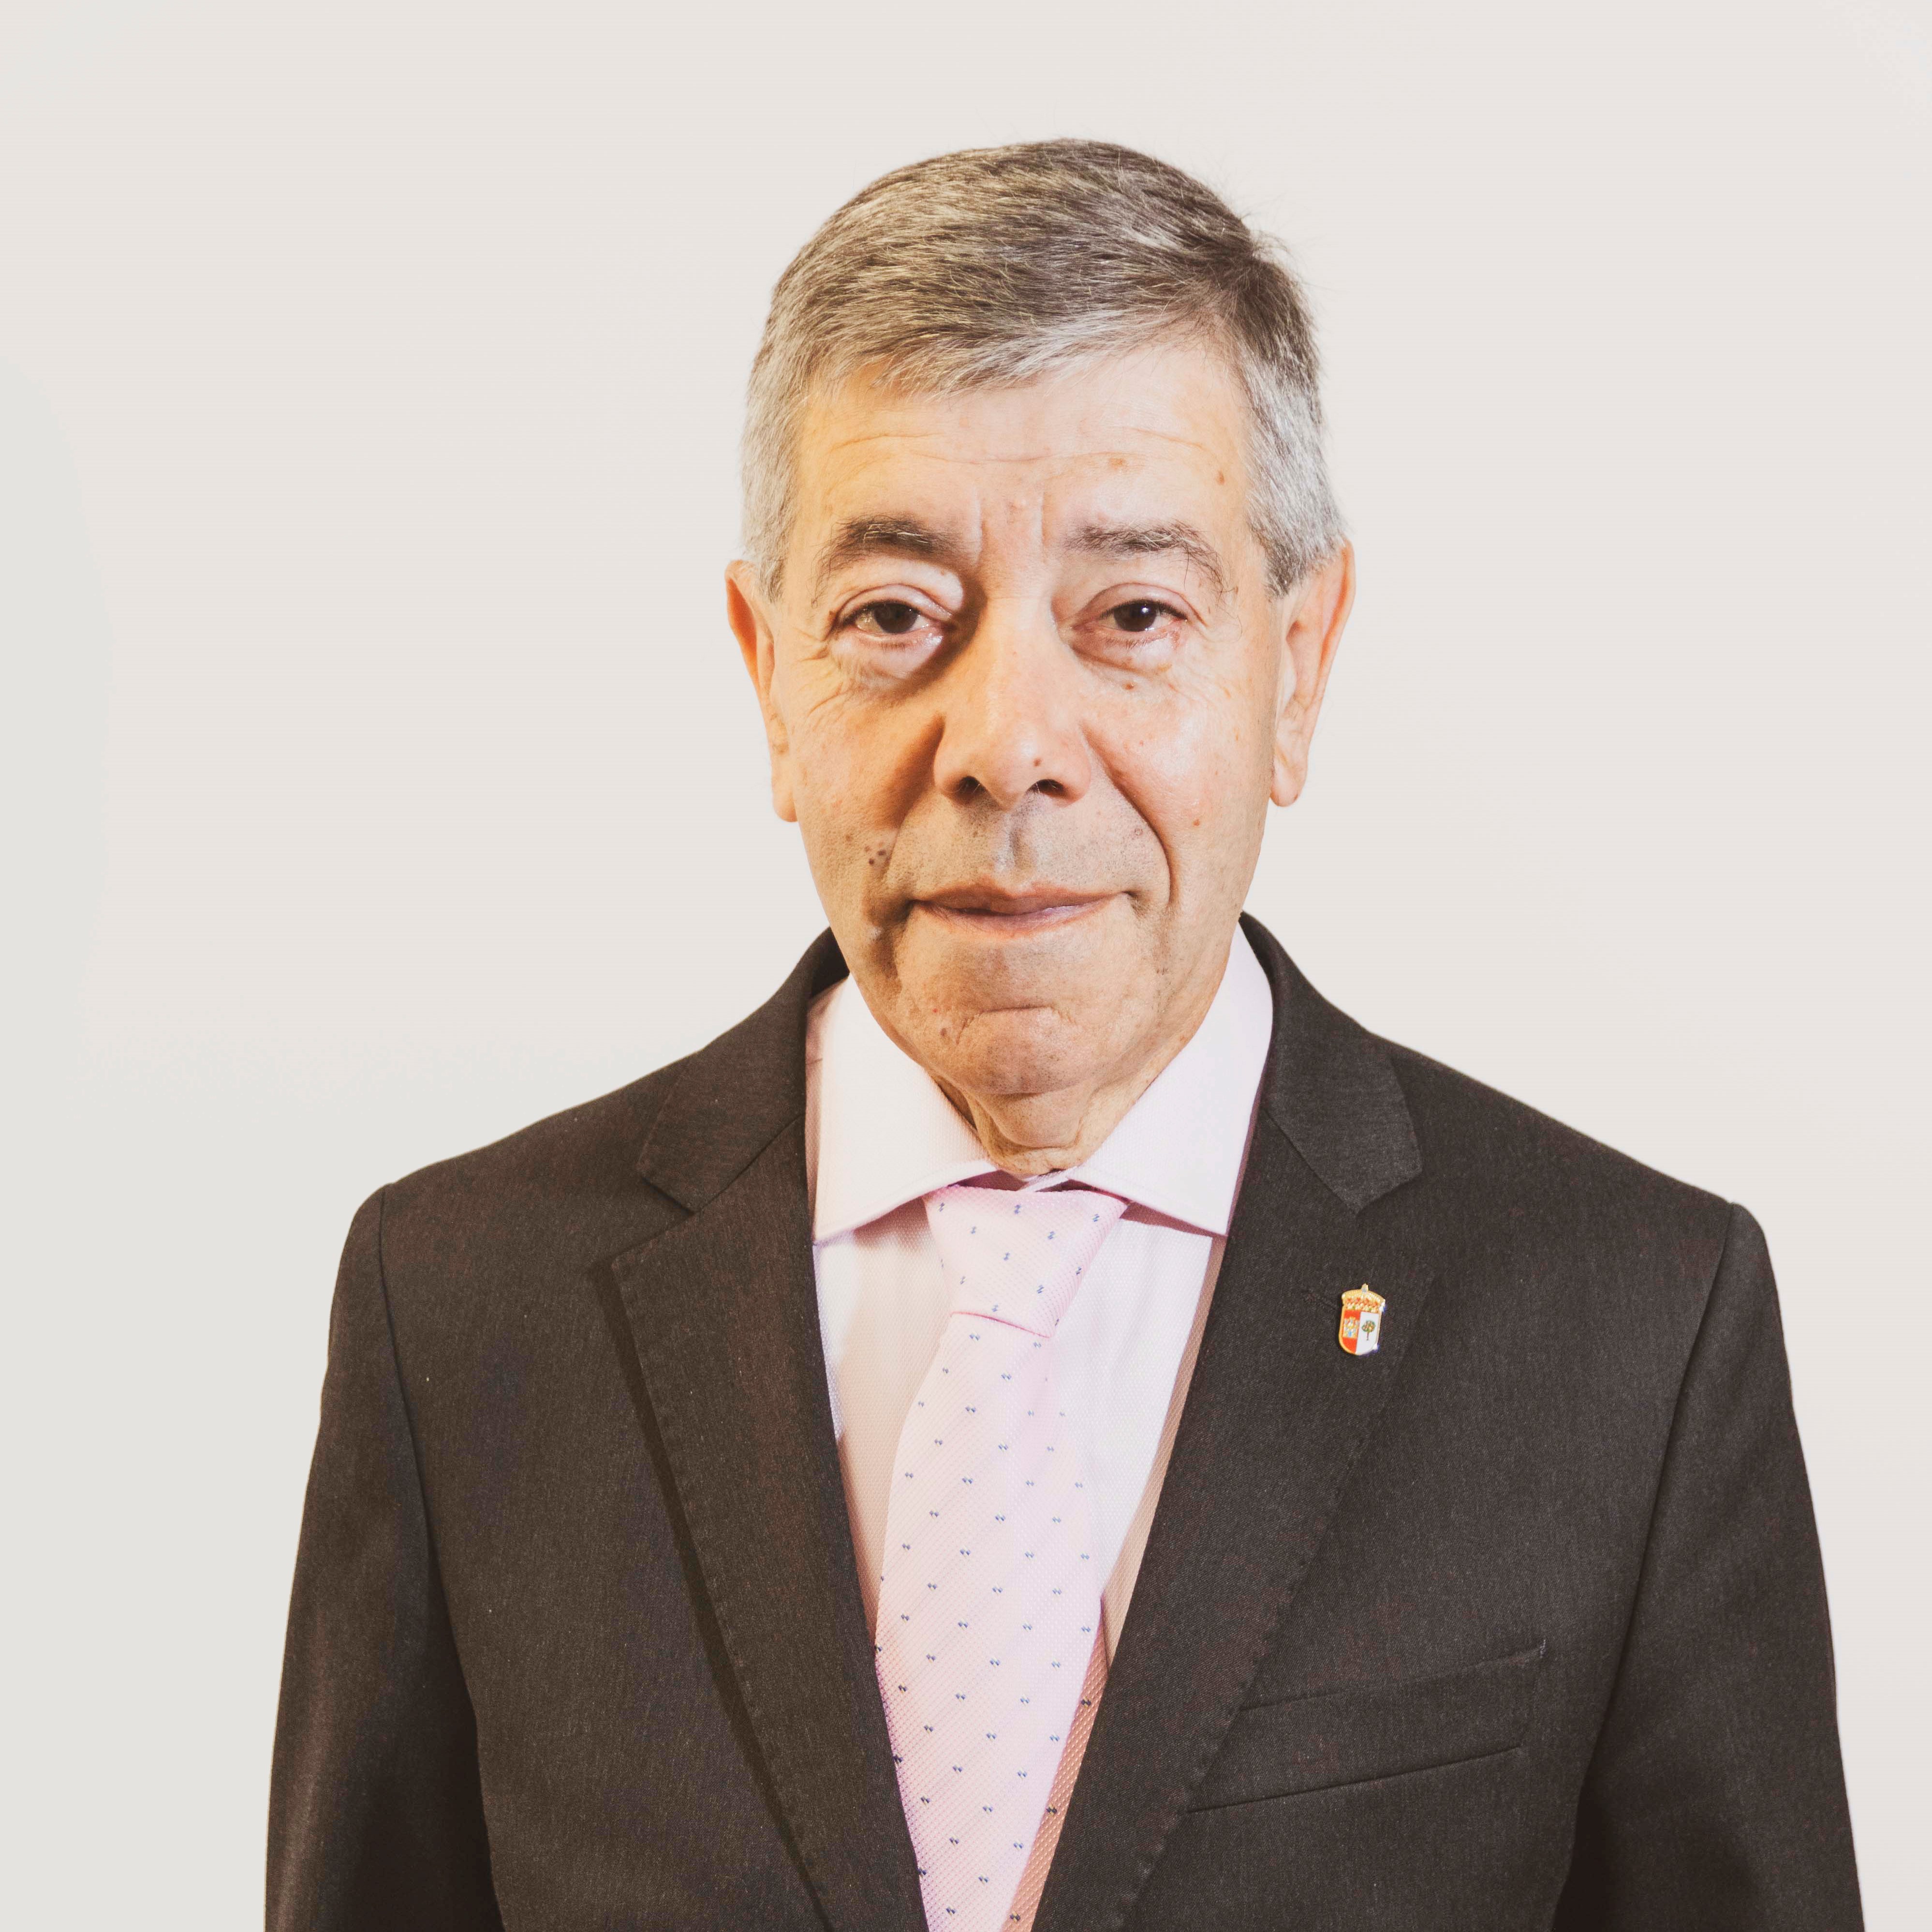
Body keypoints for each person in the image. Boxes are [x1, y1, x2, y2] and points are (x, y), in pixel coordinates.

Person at [267, 140, 1861, 1932]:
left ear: (1299, 663)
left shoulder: (1630, 1322)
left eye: (1134, 615)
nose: (1006, 745)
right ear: (767, 672)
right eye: (894, 616)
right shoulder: (463, 1305)